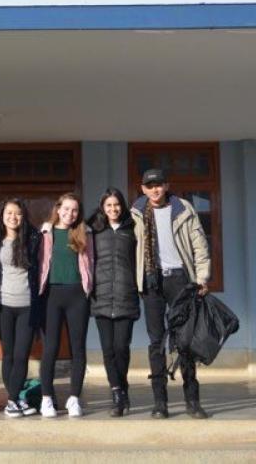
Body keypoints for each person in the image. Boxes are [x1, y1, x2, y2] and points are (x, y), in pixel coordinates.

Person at [131, 168, 211, 420]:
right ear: (143, 188)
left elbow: (200, 246)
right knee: (156, 342)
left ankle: (192, 401)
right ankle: (160, 403)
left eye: (159, 184)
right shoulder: (135, 213)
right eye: (149, 185)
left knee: (185, 341)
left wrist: (202, 279)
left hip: (180, 280)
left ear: (166, 185)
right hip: (151, 281)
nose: (154, 189)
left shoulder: (183, 209)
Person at [38, 192, 93, 418]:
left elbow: (92, 263)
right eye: (66, 209)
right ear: (58, 208)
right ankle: (47, 398)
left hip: (77, 295)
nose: (70, 214)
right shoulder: (45, 233)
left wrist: (88, 287)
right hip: (51, 296)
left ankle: (74, 398)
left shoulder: (84, 233)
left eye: (75, 210)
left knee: (77, 348)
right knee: (50, 348)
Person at [0, 198, 42, 418]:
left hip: (27, 305)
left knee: (21, 355)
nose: (13, 217)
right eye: (9, 213)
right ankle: (15, 400)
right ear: (2, 215)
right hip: (3, 305)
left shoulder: (33, 239)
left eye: (17, 213)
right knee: (8, 354)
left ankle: (13, 400)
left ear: (23, 216)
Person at [88, 188, 140, 417]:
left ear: (122, 206)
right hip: (101, 297)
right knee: (108, 349)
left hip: (126, 295)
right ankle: (117, 392)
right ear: (102, 207)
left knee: (121, 348)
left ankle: (123, 385)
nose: (113, 209)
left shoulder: (133, 229)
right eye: (108, 205)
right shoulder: (94, 230)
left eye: (116, 204)